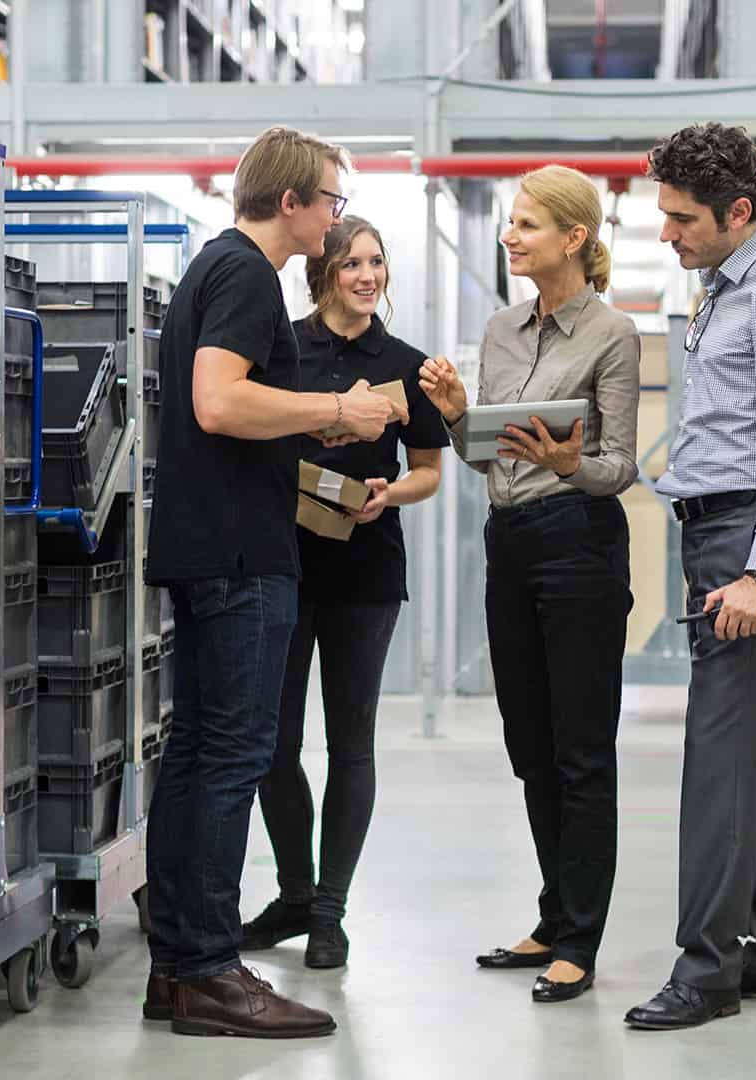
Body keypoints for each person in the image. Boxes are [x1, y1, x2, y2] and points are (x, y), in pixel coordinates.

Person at [141, 126, 406, 1040]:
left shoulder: (213, 267)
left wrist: (312, 426)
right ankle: (212, 971)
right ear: (290, 201)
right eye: (331, 201)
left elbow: (231, 408)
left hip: (204, 544)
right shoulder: (250, 275)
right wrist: (335, 405)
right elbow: (218, 401)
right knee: (233, 758)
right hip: (240, 558)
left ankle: (177, 966)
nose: (336, 219)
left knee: (195, 756)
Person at [622, 122, 756, 1032]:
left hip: (751, 539)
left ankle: (707, 969)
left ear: (738, 211)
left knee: (717, 753)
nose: (667, 232)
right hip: (718, 527)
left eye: (682, 218)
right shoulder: (723, 286)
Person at [418, 165, 639, 1005]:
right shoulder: (504, 329)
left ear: (575, 238)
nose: (511, 237)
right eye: (511, 222)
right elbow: (489, 456)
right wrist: (456, 411)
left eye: (527, 224)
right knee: (530, 744)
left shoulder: (613, 334)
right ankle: (554, 916)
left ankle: (580, 939)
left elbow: (618, 467)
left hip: (579, 543)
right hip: (508, 540)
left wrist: (568, 462)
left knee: (581, 748)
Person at [240, 216, 450, 970]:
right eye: (353, 263)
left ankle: (329, 912)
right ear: (323, 273)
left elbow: (429, 470)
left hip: (366, 573)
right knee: (273, 744)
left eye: (377, 262)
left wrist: (389, 494)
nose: (368, 276)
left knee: (350, 743)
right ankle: (294, 895)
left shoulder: (406, 365)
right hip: (285, 564)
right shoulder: (282, 351)